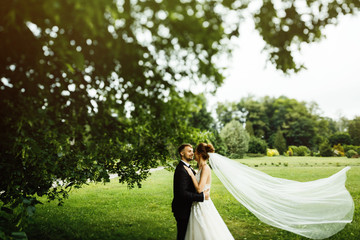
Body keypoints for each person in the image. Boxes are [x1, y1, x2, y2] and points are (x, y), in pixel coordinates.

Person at [183, 143, 234, 240]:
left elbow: (199, 189)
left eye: (196, 152)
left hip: (203, 205)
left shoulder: (206, 168)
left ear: (200, 154)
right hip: (197, 205)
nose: (194, 154)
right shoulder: (200, 168)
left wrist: (191, 175)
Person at [172, 143, 210, 240]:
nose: (192, 153)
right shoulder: (181, 169)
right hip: (182, 209)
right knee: (183, 235)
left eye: (193, 151)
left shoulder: (189, 168)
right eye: (189, 151)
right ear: (182, 153)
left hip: (190, 208)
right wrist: (201, 197)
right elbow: (182, 194)